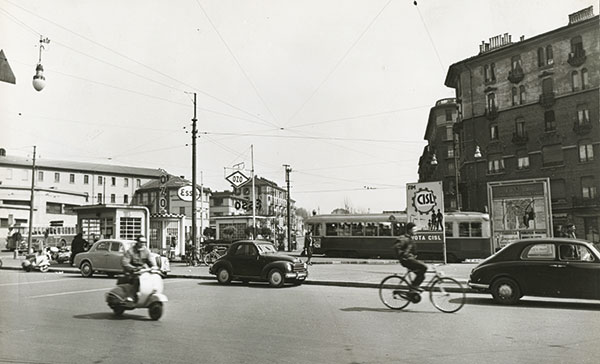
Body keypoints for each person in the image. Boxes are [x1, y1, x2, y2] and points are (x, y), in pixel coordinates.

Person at [121, 235, 157, 302]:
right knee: (137, 279)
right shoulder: (130, 251)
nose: (143, 243)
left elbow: (150, 261)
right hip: (131, 272)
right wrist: (133, 268)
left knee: (152, 277)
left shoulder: (146, 251)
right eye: (141, 242)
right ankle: (131, 296)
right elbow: (125, 263)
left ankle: (149, 294)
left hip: (142, 271)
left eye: (144, 242)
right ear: (137, 242)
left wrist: (154, 266)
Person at [394, 222, 427, 291]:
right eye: (414, 229)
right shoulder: (404, 238)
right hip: (406, 260)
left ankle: (412, 291)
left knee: (422, 275)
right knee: (424, 267)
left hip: (410, 259)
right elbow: (397, 247)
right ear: (409, 230)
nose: (416, 231)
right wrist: (403, 255)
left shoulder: (410, 238)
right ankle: (414, 287)